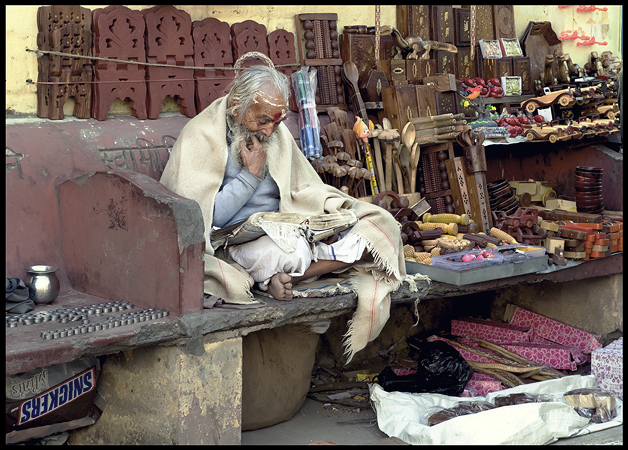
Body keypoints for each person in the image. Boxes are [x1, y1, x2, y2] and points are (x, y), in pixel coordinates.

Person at [160, 64, 407, 362]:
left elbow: (302, 189)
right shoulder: (201, 137)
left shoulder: (274, 135)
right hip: (238, 243)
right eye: (263, 121)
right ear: (238, 105)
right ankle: (299, 271)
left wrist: (330, 212)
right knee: (290, 253)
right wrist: (249, 177)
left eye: (277, 123)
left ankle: (286, 278)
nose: (269, 131)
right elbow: (205, 219)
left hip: (291, 225)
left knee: (378, 228)